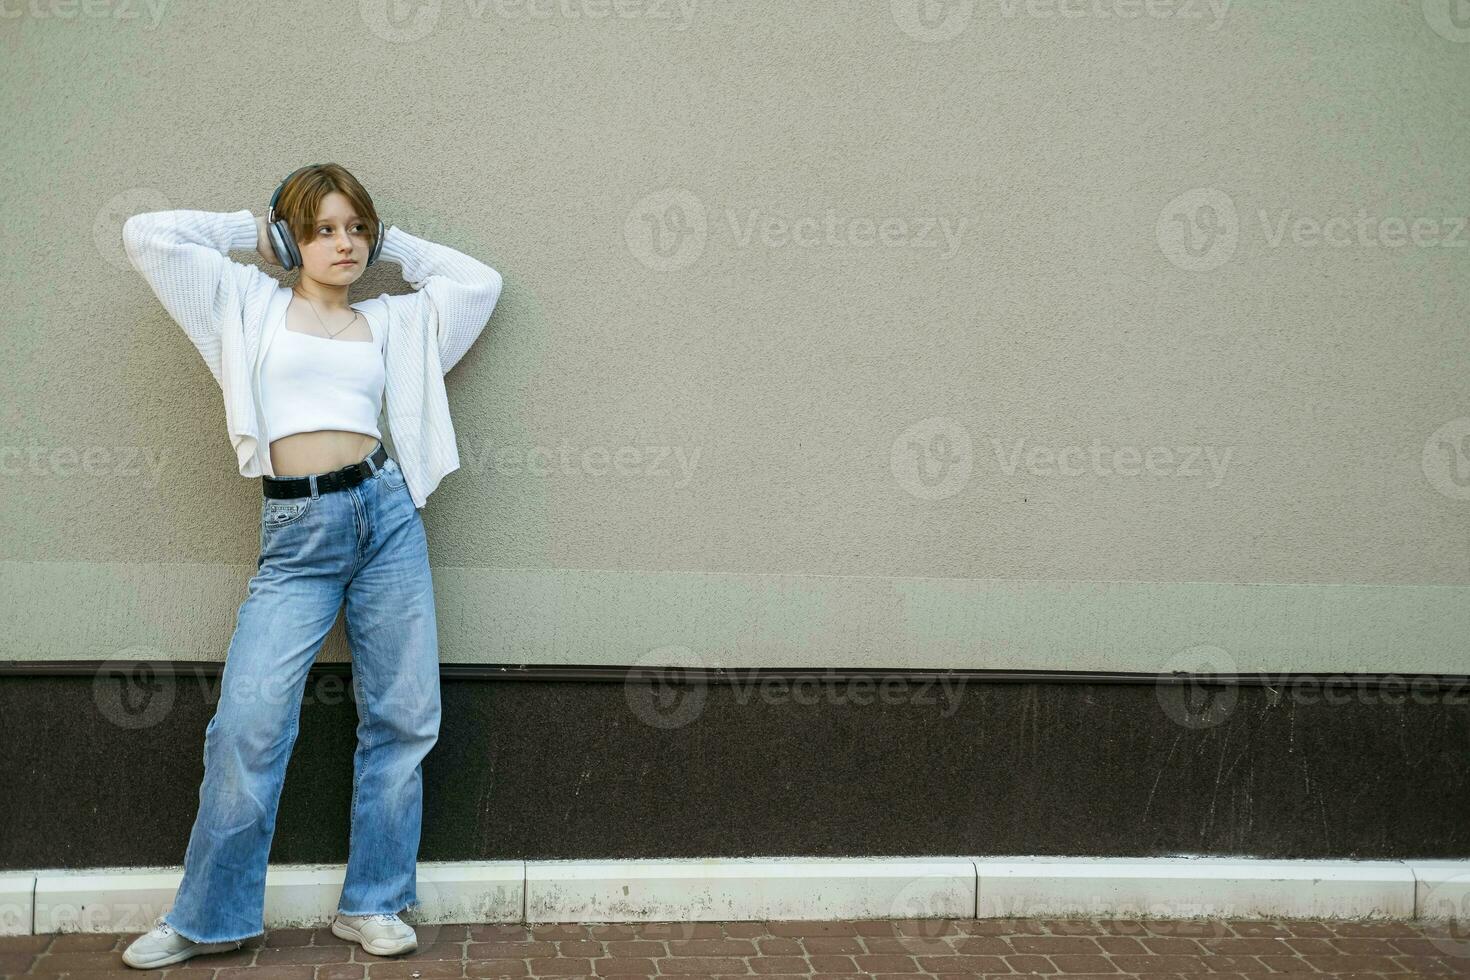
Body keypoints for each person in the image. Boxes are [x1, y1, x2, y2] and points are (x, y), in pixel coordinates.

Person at [117, 164, 503, 969]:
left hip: (387, 515)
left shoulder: (397, 323)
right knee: (248, 727)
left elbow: (479, 282)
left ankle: (374, 903)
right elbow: (147, 236)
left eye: (357, 229)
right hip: (297, 531)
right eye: (324, 229)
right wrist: (254, 233)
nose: (345, 244)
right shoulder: (248, 304)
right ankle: (210, 917)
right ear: (293, 237)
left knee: (402, 717)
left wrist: (395, 241)